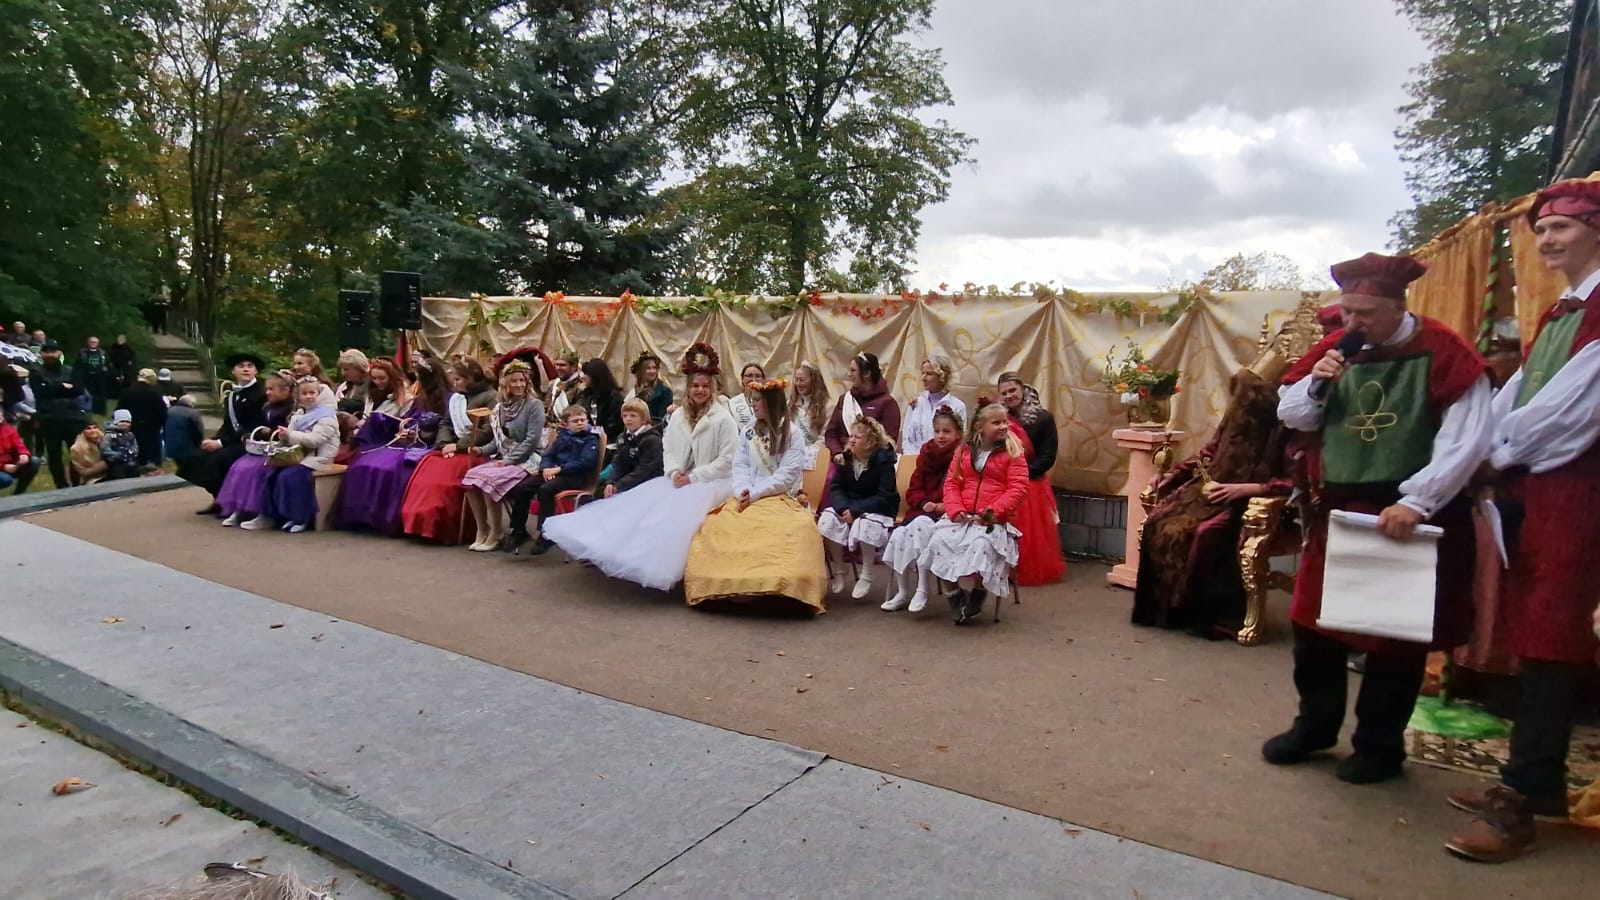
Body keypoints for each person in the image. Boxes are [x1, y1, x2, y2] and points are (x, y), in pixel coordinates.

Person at [1264, 252, 1491, 786]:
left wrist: (1418, 501)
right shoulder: (1336, 349)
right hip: (1336, 508)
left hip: (1403, 512)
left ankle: (1379, 747)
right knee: (1313, 626)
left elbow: (1468, 438)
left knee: (1393, 638)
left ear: (1396, 307)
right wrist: (1318, 382)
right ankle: (1314, 727)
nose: (1353, 324)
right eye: (1347, 312)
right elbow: (1291, 413)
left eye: (1365, 313)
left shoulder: (1444, 351)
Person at [1445, 179, 1600, 862]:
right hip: (1543, 488)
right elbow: (1520, 393)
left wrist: (1496, 454)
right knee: (1537, 630)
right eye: (1541, 229)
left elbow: (1571, 412)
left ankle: (1524, 799)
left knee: (1554, 635)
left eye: (1562, 227)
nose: (1546, 240)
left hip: (1581, 490)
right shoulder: (1560, 312)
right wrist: (1482, 449)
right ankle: (1533, 780)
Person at [544, 342, 738, 586]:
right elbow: (670, 447)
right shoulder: (678, 416)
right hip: (680, 478)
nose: (700, 390)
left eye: (705, 386)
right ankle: (619, 554)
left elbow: (728, 459)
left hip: (712, 481)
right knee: (642, 512)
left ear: (712, 388)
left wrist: (694, 476)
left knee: (678, 516)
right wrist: (674, 470)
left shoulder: (722, 418)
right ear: (688, 388)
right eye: (695, 386)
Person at [1132, 364, 1296, 637]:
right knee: (1159, 521)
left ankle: (1214, 616)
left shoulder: (1287, 429)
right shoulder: (1235, 420)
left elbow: (1295, 481)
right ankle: (1170, 610)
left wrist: (1245, 489)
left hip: (1250, 501)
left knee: (1204, 533)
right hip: (1211, 492)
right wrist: (1171, 475)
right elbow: (1208, 454)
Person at [684, 376, 827, 613]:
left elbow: (786, 475)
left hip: (778, 496)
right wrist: (742, 490)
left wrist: (756, 493)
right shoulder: (748, 431)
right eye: (753, 400)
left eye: (758, 401)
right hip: (746, 495)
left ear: (771, 402)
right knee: (715, 524)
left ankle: (781, 590)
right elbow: (739, 465)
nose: (754, 405)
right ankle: (726, 588)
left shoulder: (791, 433)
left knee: (797, 528)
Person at [925, 403, 1031, 624]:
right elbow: (952, 483)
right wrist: (955, 509)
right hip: (963, 516)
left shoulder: (1013, 451)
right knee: (938, 541)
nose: (1004, 426)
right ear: (980, 427)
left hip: (992, 519)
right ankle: (954, 595)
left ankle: (978, 591)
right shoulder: (964, 450)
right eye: (997, 422)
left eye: (1005, 421)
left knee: (981, 545)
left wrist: (993, 511)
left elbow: (1018, 488)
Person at [328, 357, 447, 535]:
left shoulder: (446, 399)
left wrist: (420, 434)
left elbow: (445, 425)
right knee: (364, 462)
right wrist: (408, 431)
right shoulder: (419, 399)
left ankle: (383, 519)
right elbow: (412, 420)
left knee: (389, 467)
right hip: (406, 441)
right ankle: (361, 517)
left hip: (428, 444)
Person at [400, 358, 498, 544]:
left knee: (446, 480)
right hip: (453, 448)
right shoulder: (457, 398)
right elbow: (446, 422)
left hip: (478, 450)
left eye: (458, 379)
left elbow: (488, 430)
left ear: (470, 379)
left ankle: (443, 527)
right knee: (429, 467)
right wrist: (444, 444)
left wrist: (460, 446)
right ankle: (419, 523)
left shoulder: (490, 397)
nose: (454, 383)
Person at [882, 405, 964, 613]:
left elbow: (965, 489)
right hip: (922, 511)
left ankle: (922, 588)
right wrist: (922, 502)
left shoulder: (962, 457)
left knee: (921, 526)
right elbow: (913, 489)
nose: (941, 436)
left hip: (947, 515)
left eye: (947, 432)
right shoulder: (926, 454)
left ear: (958, 434)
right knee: (900, 534)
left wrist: (947, 504)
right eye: (937, 431)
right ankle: (902, 591)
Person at [461, 360, 546, 551]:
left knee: (488, 480)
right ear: (505, 384)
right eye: (514, 381)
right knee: (470, 480)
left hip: (528, 459)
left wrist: (508, 460)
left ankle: (497, 533)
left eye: (522, 381)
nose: (518, 385)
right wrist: (481, 450)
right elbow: (498, 441)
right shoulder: (500, 408)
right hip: (504, 458)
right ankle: (483, 530)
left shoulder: (534, 405)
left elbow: (531, 440)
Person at [818, 416, 900, 599]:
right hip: (851, 506)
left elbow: (885, 496)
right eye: (851, 436)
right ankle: (840, 569)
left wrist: (856, 510)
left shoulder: (884, 461)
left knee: (865, 524)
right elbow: (837, 487)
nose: (852, 440)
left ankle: (867, 573)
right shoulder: (847, 458)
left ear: (870, 442)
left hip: (879, 508)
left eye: (858, 437)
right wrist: (843, 509)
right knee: (828, 519)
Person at [997, 372, 1067, 586]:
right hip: (1002, 478)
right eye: (1004, 393)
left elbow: (1048, 457)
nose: (1009, 396)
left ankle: (1024, 569)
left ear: (1023, 389)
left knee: (1028, 528)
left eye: (1012, 390)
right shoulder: (998, 419)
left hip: (1031, 480)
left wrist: (1020, 476)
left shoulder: (1042, 418)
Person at [243, 379, 340, 532]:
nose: (308, 397)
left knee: (291, 477)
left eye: (312, 393)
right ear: (298, 396)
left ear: (319, 394)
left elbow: (315, 441)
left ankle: (301, 517)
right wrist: (283, 437)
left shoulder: (327, 416)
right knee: (271, 473)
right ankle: (272, 515)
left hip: (318, 458)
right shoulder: (299, 414)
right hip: (298, 456)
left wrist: (290, 435)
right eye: (304, 393)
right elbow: (291, 437)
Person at [507, 404, 599, 555]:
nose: (580, 423)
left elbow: (585, 463)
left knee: (546, 490)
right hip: (555, 471)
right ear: (566, 424)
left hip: (575, 476)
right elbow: (548, 455)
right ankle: (518, 530)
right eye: (575, 421)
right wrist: (546, 469)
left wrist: (559, 469)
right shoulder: (563, 436)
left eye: (583, 420)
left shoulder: (590, 439)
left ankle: (546, 533)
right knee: (522, 488)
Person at [188, 352, 267, 515]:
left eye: (250, 366)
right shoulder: (231, 395)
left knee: (219, 460)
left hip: (249, 442)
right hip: (231, 440)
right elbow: (228, 424)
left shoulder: (260, 394)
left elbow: (254, 426)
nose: (246, 369)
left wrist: (221, 443)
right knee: (194, 458)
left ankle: (229, 502)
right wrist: (214, 439)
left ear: (256, 372)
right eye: (241, 366)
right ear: (233, 371)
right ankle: (218, 498)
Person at [217, 371, 296, 526]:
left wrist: (271, 433)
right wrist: (251, 434)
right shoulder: (267, 407)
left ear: (285, 391)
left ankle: (264, 514)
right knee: (239, 467)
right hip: (265, 447)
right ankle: (239, 510)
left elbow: (287, 431)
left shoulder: (291, 409)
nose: (267, 392)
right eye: (266, 389)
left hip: (282, 449)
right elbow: (259, 426)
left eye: (271, 389)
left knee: (258, 470)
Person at [28, 339, 88, 489]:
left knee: (76, 454)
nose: (50, 355)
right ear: (41, 354)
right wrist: (62, 386)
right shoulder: (36, 372)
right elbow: (40, 391)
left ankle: (76, 483)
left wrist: (52, 388)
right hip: (50, 419)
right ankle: (61, 485)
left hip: (72, 418)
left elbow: (78, 390)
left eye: (53, 352)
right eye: (46, 352)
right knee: (54, 456)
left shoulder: (69, 370)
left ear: (59, 353)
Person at [823, 351, 902, 453]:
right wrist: (837, 453)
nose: (849, 374)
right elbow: (831, 433)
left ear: (866, 373)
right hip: (842, 461)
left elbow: (888, 442)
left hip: (873, 465)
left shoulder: (888, 404)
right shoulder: (844, 399)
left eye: (853, 370)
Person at [900, 355, 967, 455]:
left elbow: (959, 440)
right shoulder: (916, 404)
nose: (923, 378)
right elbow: (906, 438)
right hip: (914, 461)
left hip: (945, 463)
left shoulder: (957, 406)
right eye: (923, 373)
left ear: (942, 376)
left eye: (929, 374)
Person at [600, 397, 663, 498]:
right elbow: (618, 462)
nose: (628, 419)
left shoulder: (652, 440)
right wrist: (611, 482)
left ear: (644, 419)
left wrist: (620, 485)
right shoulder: (622, 437)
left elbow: (645, 470)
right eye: (625, 416)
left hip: (648, 485)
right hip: (626, 484)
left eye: (633, 416)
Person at [117, 369, 168, 467]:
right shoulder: (155, 394)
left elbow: (119, 410)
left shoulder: (126, 392)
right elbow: (162, 413)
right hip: (151, 430)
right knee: (152, 459)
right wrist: (159, 425)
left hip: (131, 429)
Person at [573, 358, 624, 446]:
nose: (583, 376)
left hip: (607, 441)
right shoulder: (586, 395)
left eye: (586, 374)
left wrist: (590, 430)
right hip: (587, 439)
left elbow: (612, 427)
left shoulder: (614, 397)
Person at [162, 393, 206, 481]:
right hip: (187, 446)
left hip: (170, 444)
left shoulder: (169, 411)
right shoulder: (193, 413)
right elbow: (198, 431)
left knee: (180, 464)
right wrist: (198, 444)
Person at [790, 360, 831, 450]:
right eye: (796, 379)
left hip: (813, 454)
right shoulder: (790, 404)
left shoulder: (828, 406)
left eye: (802, 380)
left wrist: (809, 451)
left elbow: (825, 437)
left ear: (814, 380)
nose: (798, 383)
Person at [629, 351, 673, 421]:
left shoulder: (664, 391)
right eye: (648, 368)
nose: (652, 371)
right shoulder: (634, 391)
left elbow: (661, 419)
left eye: (654, 368)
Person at [0, 415, 38, 494]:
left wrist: (24, 454)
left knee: (35, 461)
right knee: (6, 480)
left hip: (11, 464)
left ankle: (19, 493)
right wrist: (3, 466)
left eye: (0, 412)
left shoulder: (9, 429)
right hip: (2, 467)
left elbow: (20, 446)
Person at [100, 409, 143, 480]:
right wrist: (114, 455)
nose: (125, 424)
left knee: (135, 474)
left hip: (130, 460)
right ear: (116, 422)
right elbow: (105, 448)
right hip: (116, 462)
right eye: (122, 421)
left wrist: (132, 452)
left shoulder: (130, 435)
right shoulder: (110, 435)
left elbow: (135, 446)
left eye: (127, 422)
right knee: (119, 477)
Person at [73, 336, 110, 414]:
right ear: (88, 342)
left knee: (100, 395)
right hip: (86, 376)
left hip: (100, 376)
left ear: (98, 343)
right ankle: (86, 409)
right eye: (92, 342)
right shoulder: (82, 352)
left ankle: (100, 410)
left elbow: (107, 364)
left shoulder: (103, 353)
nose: (93, 343)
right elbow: (77, 366)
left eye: (95, 342)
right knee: (86, 394)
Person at [726, 363, 766, 432]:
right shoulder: (731, 404)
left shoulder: (771, 403)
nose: (754, 380)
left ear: (763, 380)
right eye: (749, 376)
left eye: (758, 376)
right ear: (742, 380)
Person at [547, 350, 582, 420]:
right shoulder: (553, 384)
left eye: (562, 365)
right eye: (557, 365)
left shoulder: (581, 387)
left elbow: (579, 413)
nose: (558, 368)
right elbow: (546, 406)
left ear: (574, 367)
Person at [108, 334, 136, 399]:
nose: (120, 341)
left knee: (126, 381)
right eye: (119, 339)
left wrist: (130, 361)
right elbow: (111, 355)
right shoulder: (113, 347)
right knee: (115, 380)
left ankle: (126, 395)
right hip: (116, 365)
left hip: (125, 366)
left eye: (122, 340)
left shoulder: (127, 347)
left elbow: (132, 355)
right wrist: (111, 362)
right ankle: (115, 395)